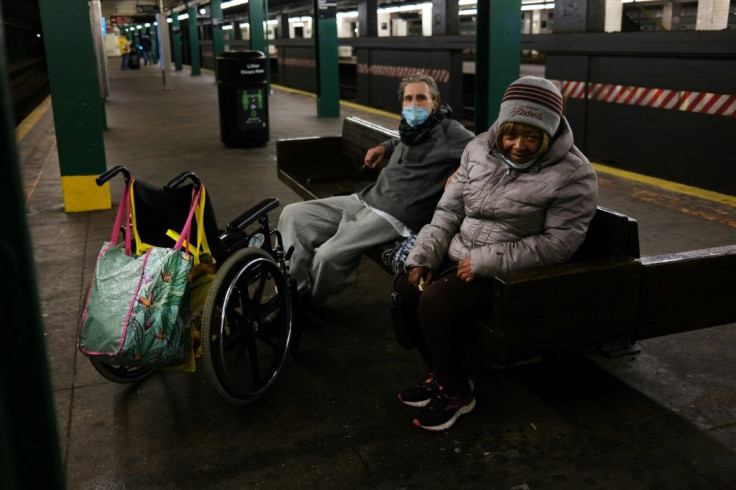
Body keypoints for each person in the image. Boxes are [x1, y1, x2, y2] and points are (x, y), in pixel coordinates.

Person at [393, 76, 598, 432]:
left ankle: (456, 391)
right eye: (510, 134)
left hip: (513, 272)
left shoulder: (574, 174)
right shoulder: (478, 149)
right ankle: (440, 374)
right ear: (500, 128)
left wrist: (490, 261)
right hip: (462, 254)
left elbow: (558, 244)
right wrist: (425, 255)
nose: (518, 145)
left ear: (548, 135)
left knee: (436, 302)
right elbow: (448, 212)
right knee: (405, 289)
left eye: (532, 137)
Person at [278, 73, 474, 308]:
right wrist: (384, 146)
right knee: (293, 214)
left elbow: (486, 149)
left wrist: (461, 170)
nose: (414, 105)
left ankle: (306, 305)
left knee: (328, 256)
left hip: (393, 214)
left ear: (435, 103)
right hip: (366, 198)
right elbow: (402, 142)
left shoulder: (449, 131)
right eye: (408, 99)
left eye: (421, 98)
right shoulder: (411, 130)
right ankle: (291, 293)